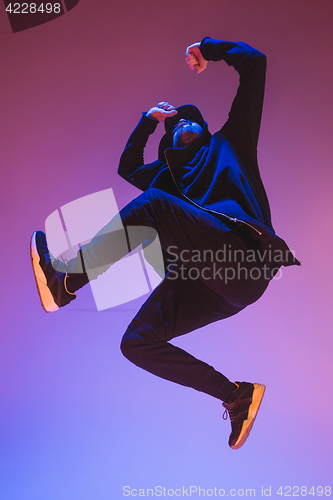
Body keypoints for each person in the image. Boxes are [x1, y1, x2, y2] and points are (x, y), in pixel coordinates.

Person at [30, 37, 300, 450]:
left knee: (156, 205)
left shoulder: (232, 143)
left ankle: (67, 282)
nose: (183, 126)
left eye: (190, 121)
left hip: (246, 259)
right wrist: (147, 121)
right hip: (213, 287)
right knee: (136, 343)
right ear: (168, 144)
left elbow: (257, 64)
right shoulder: (166, 179)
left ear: (205, 128)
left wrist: (209, 48)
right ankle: (235, 395)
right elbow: (128, 167)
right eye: (175, 128)